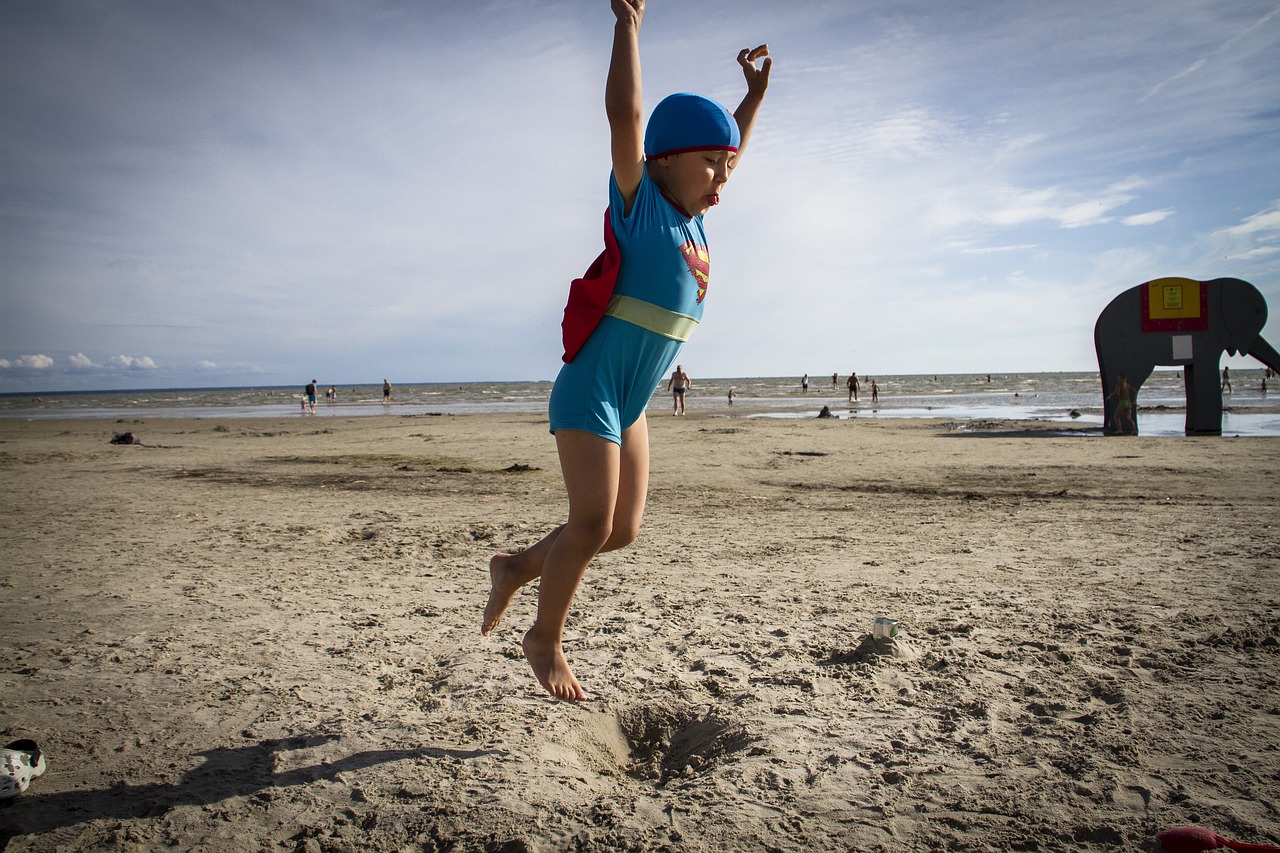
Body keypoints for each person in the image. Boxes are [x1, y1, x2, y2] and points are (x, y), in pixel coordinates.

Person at [482, 0, 770, 702]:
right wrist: (628, 27)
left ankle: (518, 564)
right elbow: (626, 119)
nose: (723, 178)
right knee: (588, 522)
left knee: (619, 530)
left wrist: (751, 102)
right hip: (591, 392)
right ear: (664, 162)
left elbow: (725, 148)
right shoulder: (642, 207)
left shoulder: (698, 224)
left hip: (632, 400)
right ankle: (542, 638)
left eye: (728, 167)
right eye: (710, 165)